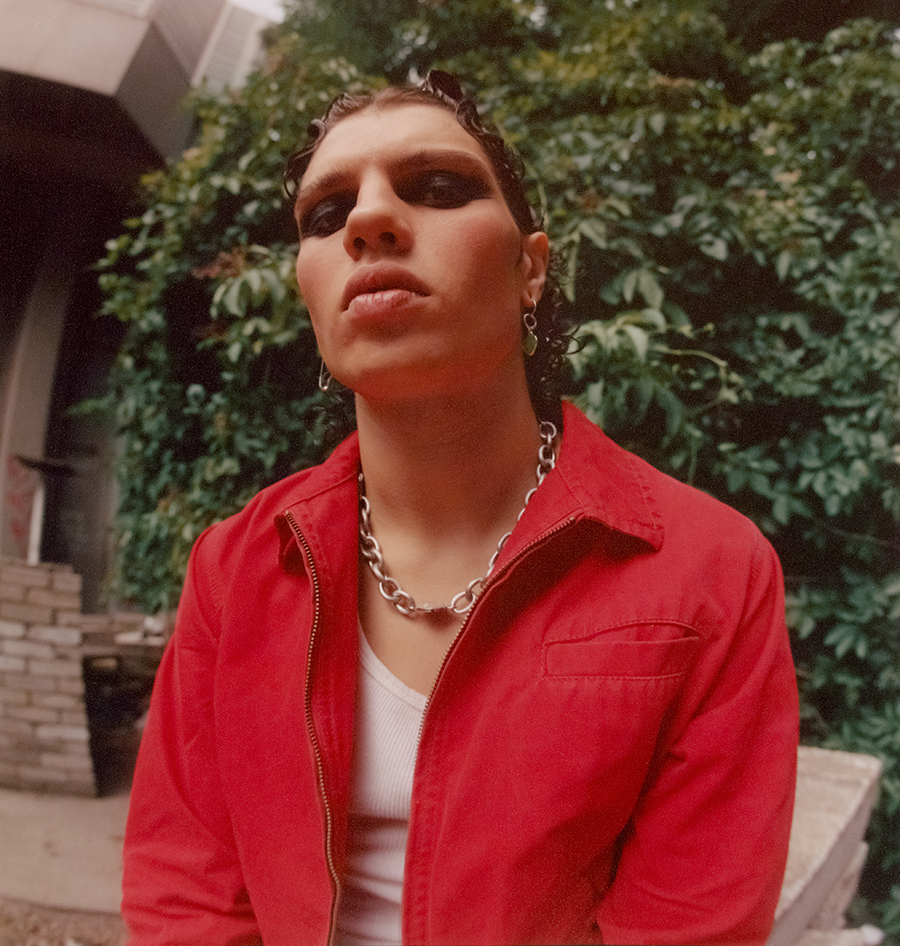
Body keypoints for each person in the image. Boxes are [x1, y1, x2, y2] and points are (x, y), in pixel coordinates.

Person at [122, 71, 799, 946]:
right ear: (308, 293)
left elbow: (688, 930)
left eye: (439, 187)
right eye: (326, 214)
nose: (369, 218)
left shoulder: (710, 572)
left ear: (530, 268)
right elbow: (186, 901)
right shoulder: (235, 566)